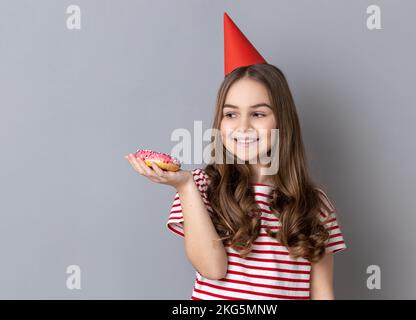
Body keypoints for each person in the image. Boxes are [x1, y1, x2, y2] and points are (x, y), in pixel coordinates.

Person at [125, 12, 346, 300]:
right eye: (231, 114)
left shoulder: (314, 203)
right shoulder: (201, 187)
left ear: (282, 121)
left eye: (258, 113)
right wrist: (185, 186)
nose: (242, 127)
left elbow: (322, 293)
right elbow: (212, 268)